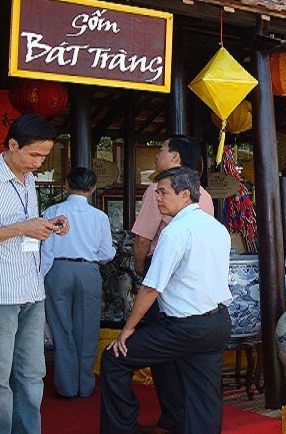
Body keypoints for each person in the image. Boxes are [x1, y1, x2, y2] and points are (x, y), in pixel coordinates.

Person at [0, 113, 70, 434]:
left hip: (32, 291)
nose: (39, 162)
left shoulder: (28, 179)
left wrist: (49, 224)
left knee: (32, 375)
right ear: (12, 145)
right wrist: (23, 227)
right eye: (34, 154)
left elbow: (23, 229)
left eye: (45, 156)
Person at [100, 166, 232, 434]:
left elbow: (151, 288)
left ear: (185, 195)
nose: (157, 198)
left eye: (162, 192)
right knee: (203, 394)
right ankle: (177, 423)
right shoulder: (217, 228)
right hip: (217, 322)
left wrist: (127, 330)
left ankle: (122, 429)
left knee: (114, 358)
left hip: (184, 327)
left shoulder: (175, 232)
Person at [130, 135, 214, 432]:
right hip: (196, 280)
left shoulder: (159, 189)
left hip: (162, 272)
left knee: (161, 350)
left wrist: (140, 269)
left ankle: (172, 419)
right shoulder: (202, 194)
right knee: (189, 357)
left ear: (175, 158)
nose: (156, 155)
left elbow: (142, 239)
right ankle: (190, 418)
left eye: (162, 150)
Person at [40, 166, 115, 399]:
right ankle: (85, 385)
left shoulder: (52, 211)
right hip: (88, 270)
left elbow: (46, 251)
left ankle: (66, 386)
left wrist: (40, 278)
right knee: (87, 330)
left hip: (58, 270)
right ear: (93, 189)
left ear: (66, 185)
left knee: (62, 330)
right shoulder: (100, 217)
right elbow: (106, 253)